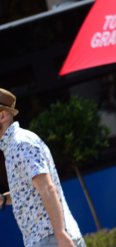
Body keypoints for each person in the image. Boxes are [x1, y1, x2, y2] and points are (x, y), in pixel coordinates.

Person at [0, 88, 85, 247]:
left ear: (2, 115)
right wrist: (4, 199)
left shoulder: (21, 144)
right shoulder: (13, 146)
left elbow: (47, 188)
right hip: (46, 239)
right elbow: (31, 191)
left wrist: (60, 234)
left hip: (50, 238)